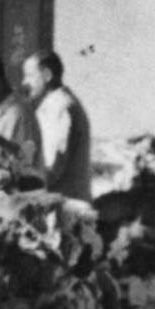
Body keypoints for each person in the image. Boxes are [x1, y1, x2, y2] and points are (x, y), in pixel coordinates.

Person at [25, 49, 93, 200]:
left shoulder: (59, 108)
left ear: (47, 75)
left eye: (29, 75)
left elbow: (51, 169)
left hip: (62, 205)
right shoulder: (55, 106)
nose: (24, 82)